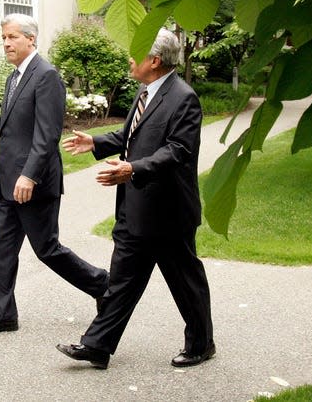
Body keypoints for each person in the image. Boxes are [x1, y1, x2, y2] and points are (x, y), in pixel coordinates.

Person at [56, 28, 214, 369]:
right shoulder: (146, 91)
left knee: (185, 282)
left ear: (154, 61)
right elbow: (130, 136)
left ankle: (201, 344)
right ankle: (97, 346)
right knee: (122, 280)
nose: (130, 58)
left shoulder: (183, 98)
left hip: (168, 213)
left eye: (136, 52)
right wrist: (96, 143)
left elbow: (178, 150)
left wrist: (133, 169)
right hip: (134, 207)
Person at [0, 13, 108, 337]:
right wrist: (4, 176)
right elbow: (14, 135)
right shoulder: (13, 77)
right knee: (0, 249)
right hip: (7, 184)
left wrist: (28, 176)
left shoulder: (46, 76)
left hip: (34, 184)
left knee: (46, 249)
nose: (5, 43)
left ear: (31, 39)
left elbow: (47, 136)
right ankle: (2, 314)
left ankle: (103, 285)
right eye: (3, 37)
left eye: (12, 37)